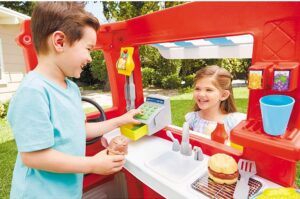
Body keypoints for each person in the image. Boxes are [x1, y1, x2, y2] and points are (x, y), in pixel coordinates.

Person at [7, 2, 141, 198]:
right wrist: (93, 164)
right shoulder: (33, 91)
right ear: (60, 42)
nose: (90, 58)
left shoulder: (70, 88)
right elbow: (34, 157)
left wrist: (121, 120)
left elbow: (79, 129)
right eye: (88, 49)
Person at [185, 65, 246, 139]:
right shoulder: (192, 119)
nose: (201, 94)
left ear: (223, 95)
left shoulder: (234, 122)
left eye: (209, 90)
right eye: (197, 88)